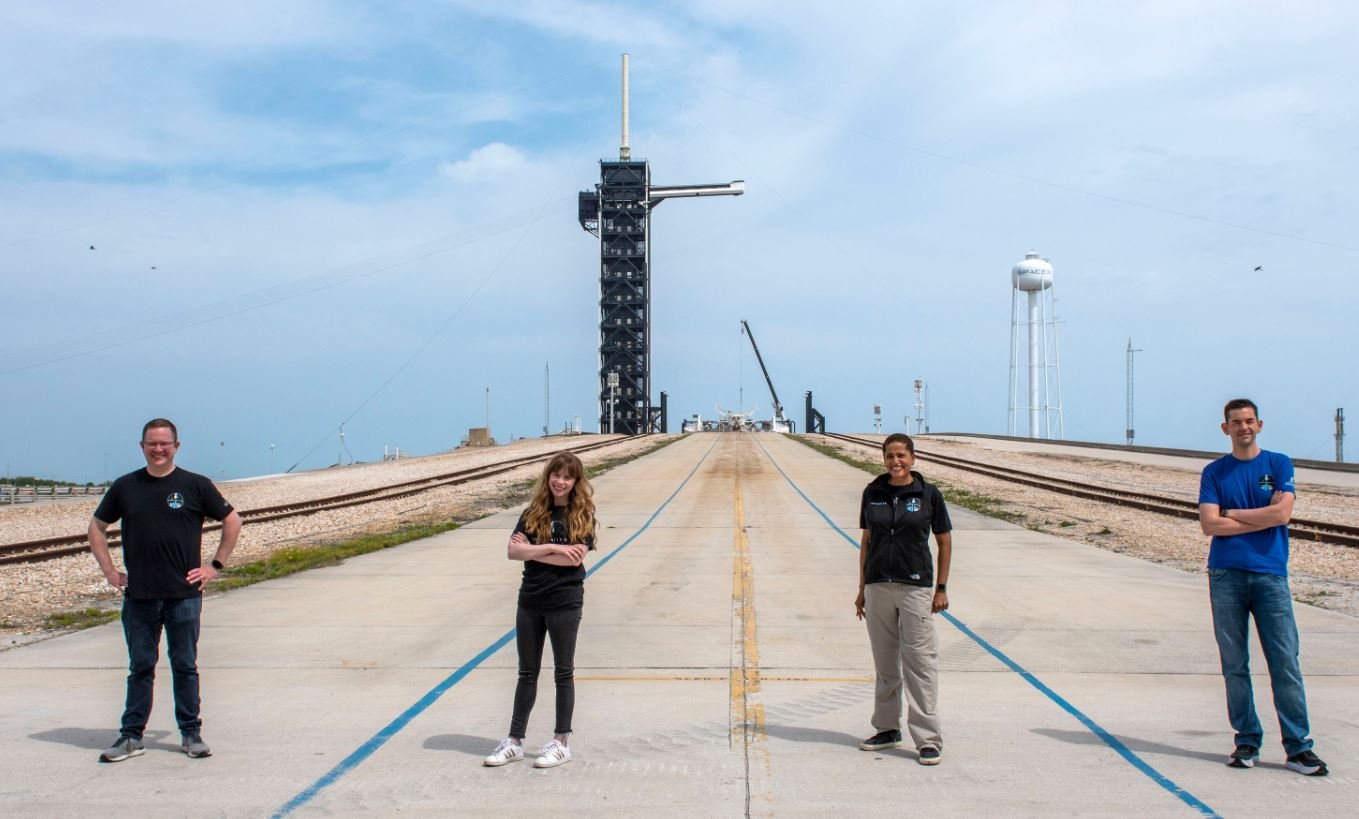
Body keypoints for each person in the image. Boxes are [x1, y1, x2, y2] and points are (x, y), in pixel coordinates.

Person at [88, 418, 242, 763]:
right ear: (142, 446)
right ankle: (131, 737)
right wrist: (110, 570)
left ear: (177, 446)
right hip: (139, 596)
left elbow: (232, 520)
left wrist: (214, 566)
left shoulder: (195, 485)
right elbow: (96, 527)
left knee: (184, 664)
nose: (158, 449)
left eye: (165, 444)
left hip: (183, 596)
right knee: (140, 667)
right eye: (152, 443)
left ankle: (191, 734)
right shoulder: (126, 486)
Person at [1198, 398, 1327, 776]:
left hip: (1270, 574)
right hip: (1226, 576)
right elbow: (1209, 525)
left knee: (1285, 662)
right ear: (1226, 428)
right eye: (1236, 422)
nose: (1244, 427)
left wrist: (1232, 513)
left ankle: (1299, 748)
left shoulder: (1277, 463)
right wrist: (1263, 518)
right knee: (1235, 664)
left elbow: (1283, 513)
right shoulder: (1215, 472)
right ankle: (1247, 741)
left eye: (1249, 421)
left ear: (1260, 424)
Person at [484, 452, 597, 769]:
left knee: (563, 672)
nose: (560, 481)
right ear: (548, 477)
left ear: (576, 482)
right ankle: (514, 741)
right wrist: (554, 548)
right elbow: (512, 551)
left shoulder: (583, 514)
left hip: (565, 601)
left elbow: (574, 560)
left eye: (567, 477)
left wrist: (534, 551)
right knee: (526, 672)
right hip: (530, 600)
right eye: (556, 475)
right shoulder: (533, 512)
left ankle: (561, 742)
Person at [855, 432, 952, 765]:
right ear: (884, 459)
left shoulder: (928, 495)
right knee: (885, 664)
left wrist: (940, 588)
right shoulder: (873, 493)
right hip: (878, 586)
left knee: (920, 665)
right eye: (889, 456)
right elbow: (866, 542)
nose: (895, 462)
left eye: (901, 456)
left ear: (913, 458)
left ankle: (928, 738)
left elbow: (944, 541)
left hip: (916, 589)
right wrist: (861, 589)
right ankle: (887, 728)